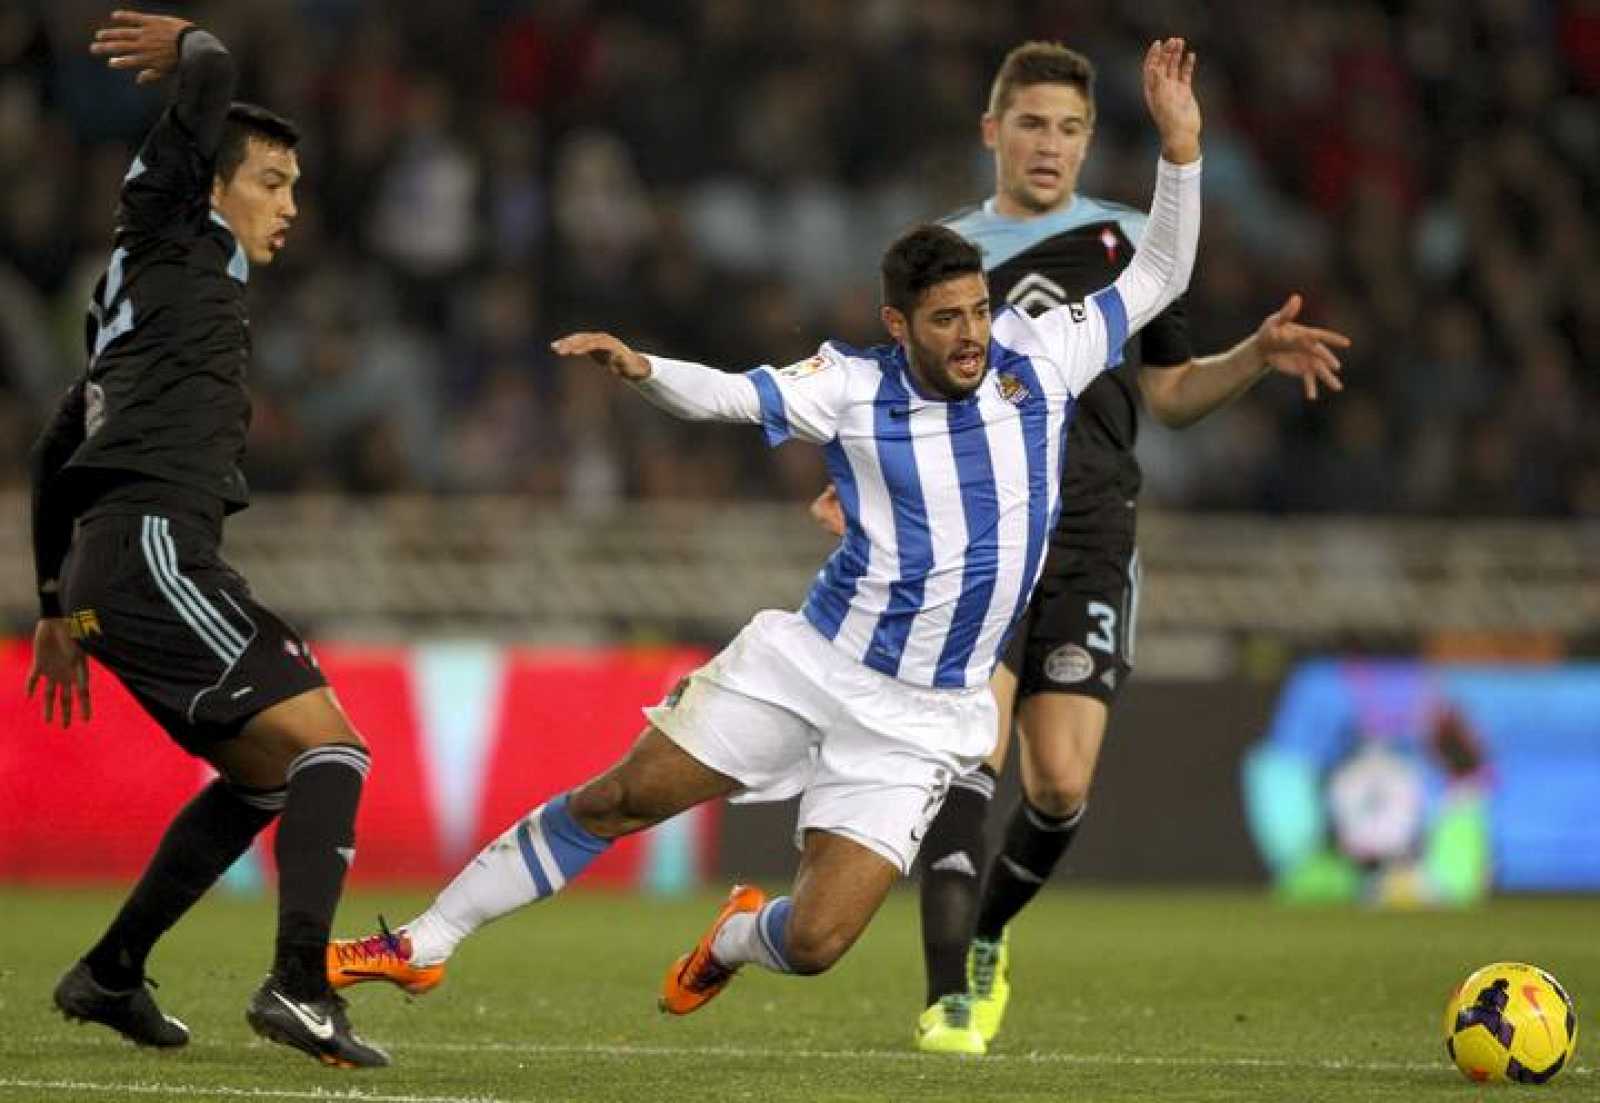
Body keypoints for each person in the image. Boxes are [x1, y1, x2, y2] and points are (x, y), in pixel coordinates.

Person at [324, 39, 1206, 1030]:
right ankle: (425, 941)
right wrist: (642, 367)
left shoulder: (1044, 353)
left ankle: (736, 932)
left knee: (818, 943)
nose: (969, 334)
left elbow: (1164, 267)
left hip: (926, 718)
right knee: (621, 798)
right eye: (946, 319)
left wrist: (1182, 148)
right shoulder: (851, 385)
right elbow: (731, 398)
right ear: (896, 322)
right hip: (812, 664)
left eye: (976, 311)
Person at [810, 42, 1351, 1055]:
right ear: (991, 132)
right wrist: (858, 491)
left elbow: (1171, 393)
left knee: (1057, 783)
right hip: (978, 538)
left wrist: (1251, 357)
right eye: (1029, 123)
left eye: (1066, 127)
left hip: (1094, 530)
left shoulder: (1128, 239)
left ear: (1089, 138)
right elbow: (894, 399)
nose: (1047, 143)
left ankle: (989, 938)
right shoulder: (944, 252)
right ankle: (948, 1002)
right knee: (971, 746)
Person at [27, 10, 386, 1068]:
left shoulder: (149, 300)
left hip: (118, 564)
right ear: (212, 183)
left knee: (266, 780)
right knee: (333, 749)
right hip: (149, 550)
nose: (290, 204)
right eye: (272, 180)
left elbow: (55, 446)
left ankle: (110, 971)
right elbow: (215, 67)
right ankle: (299, 984)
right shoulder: (170, 228)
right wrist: (193, 44)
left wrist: (56, 606)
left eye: (296, 186)